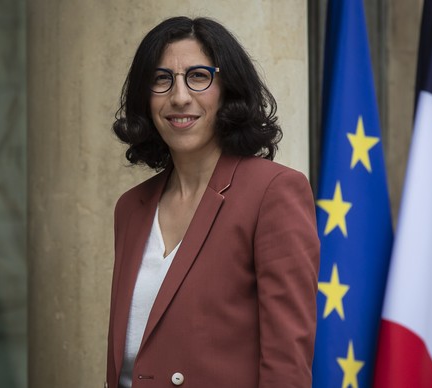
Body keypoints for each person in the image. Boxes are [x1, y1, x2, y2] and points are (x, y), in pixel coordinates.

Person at [106, 16, 320, 388]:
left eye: (198, 76)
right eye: (161, 79)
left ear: (227, 89)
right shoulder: (131, 207)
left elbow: (287, 367)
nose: (179, 96)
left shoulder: (273, 192)